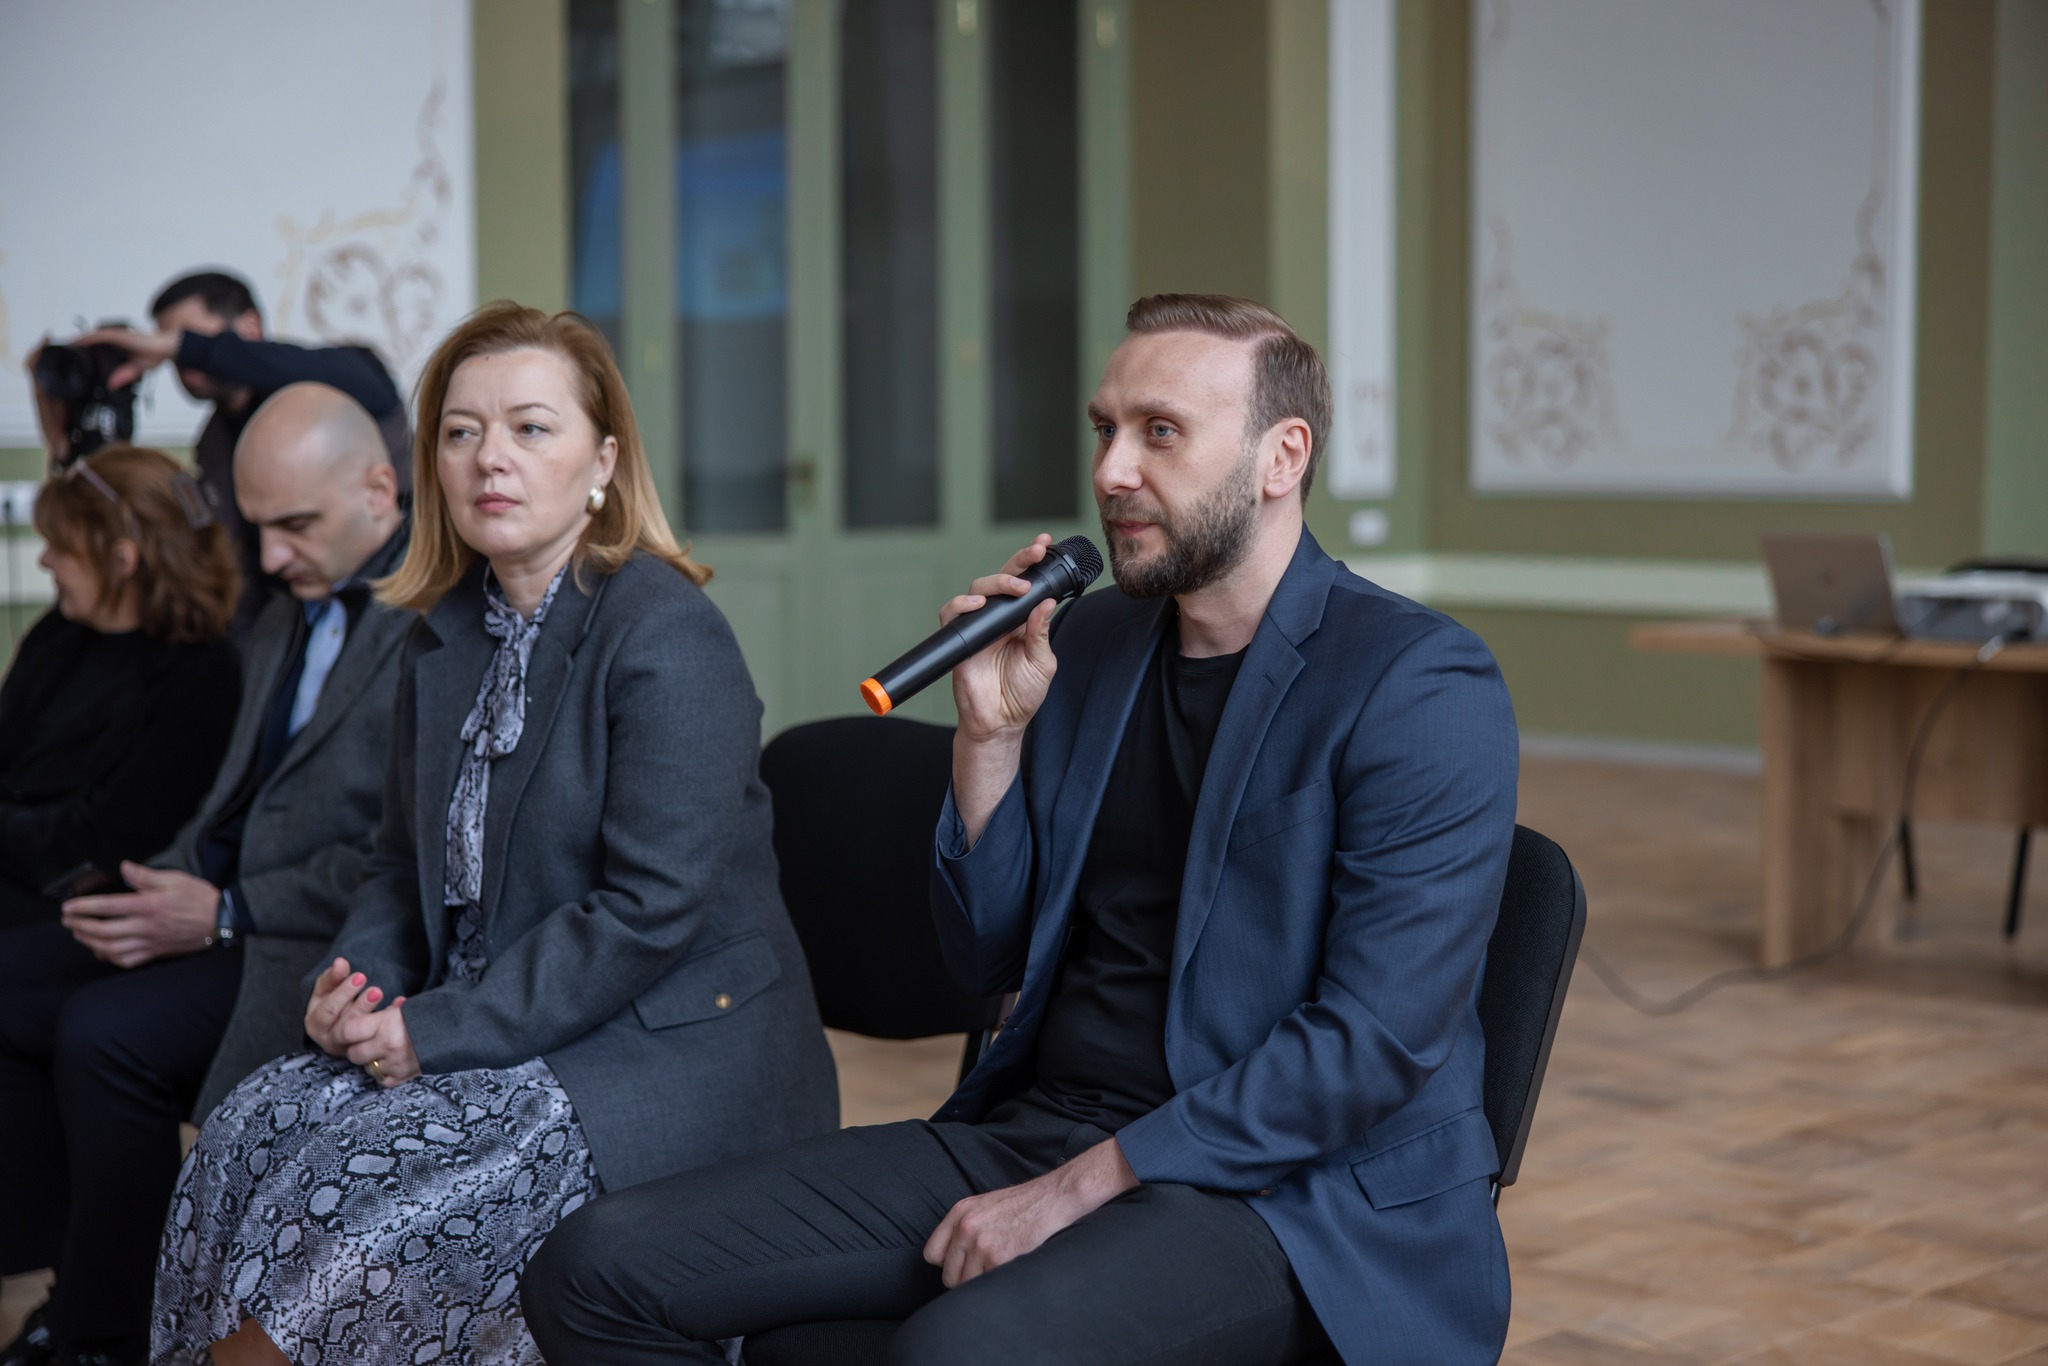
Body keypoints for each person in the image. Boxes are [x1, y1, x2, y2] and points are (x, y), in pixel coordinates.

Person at [521, 295, 1522, 1366]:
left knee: (959, 1354)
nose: (1111, 471)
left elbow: (1370, 1043)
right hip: (1044, 1125)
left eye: (1161, 432)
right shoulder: (1095, 642)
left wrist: (1082, 1187)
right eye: (1105, 429)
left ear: (1282, 456)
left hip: (1287, 1198)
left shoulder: (1415, 681)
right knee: (593, 1269)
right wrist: (989, 739)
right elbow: (986, 956)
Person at [152, 303, 839, 1366]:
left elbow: (646, 913)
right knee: (251, 1125)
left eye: (530, 428)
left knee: (362, 1204)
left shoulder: (667, 635)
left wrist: (432, 1030)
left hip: (658, 1049)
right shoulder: (442, 634)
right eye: (461, 432)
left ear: (602, 460)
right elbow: (396, 865)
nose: (489, 459)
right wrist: (358, 987)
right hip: (492, 1017)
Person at [0, 385, 414, 1366]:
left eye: (294, 525)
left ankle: (108, 1329)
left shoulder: (430, 629)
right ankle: (75, 1272)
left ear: (379, 491)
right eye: (257, 526)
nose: (266, 557)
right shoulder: (283, 615)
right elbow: (226, 806)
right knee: (11, 982)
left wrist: (226, 909)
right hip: (216, 909)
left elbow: (402, 857)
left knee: (103, 1034)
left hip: (309, 945)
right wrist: (163, 888)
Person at [37, 269, 411, 643]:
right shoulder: (213, 444)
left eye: (187, 336)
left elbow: (362, 382)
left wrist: (186, 347)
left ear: (249, 327)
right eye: (167, 340)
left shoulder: (341, 380)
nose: (176, 357)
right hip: (285, 635)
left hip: (387, 611)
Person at [0, 446, 240, 931]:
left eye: (62, 549)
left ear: (121, 560)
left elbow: (106, 841)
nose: (45, 560)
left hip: (82, 908)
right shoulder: (59, 634)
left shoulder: (202, 677)